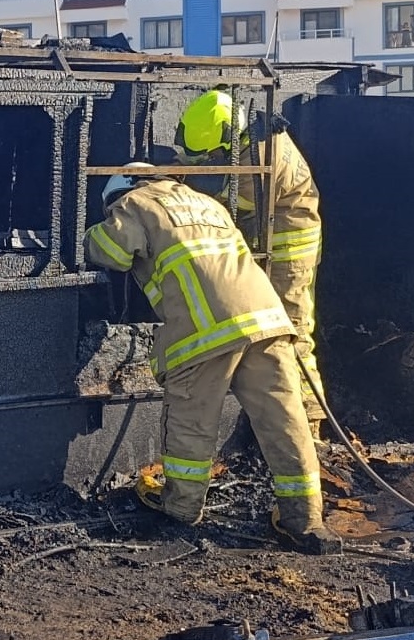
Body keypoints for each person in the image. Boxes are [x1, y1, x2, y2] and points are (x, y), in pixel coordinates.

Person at [86, 162, 342, 554]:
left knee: (191, 420)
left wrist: (85, 235)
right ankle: (305, 521)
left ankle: (181, 509)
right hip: (266, 319)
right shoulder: (207, 203)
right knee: (283, 422)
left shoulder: (134, 202)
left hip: (205, 329)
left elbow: (112, 252)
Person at [175, 89, 327, 435]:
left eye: (209, 156)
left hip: (289, 251)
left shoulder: (262, 154)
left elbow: (234, 204)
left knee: (292, 331)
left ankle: (309, 425)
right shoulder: (246, 138)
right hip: (267, 243)